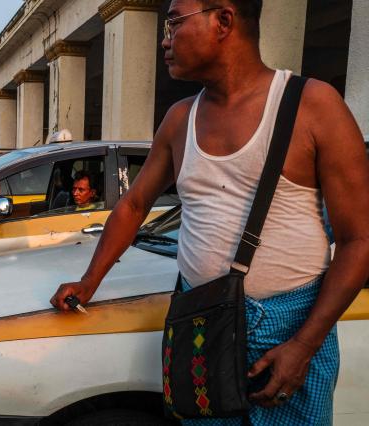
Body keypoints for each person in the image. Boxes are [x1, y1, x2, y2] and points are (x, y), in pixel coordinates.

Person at [50, 1, 369, 425]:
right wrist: (90, 281)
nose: (165, 39)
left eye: (174, 22)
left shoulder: (312, 106)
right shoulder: (180, 119)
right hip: (198, 322)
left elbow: (358, 241)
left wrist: (305, 345)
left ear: (223, 21)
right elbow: (134, 204)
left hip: (289, 328)